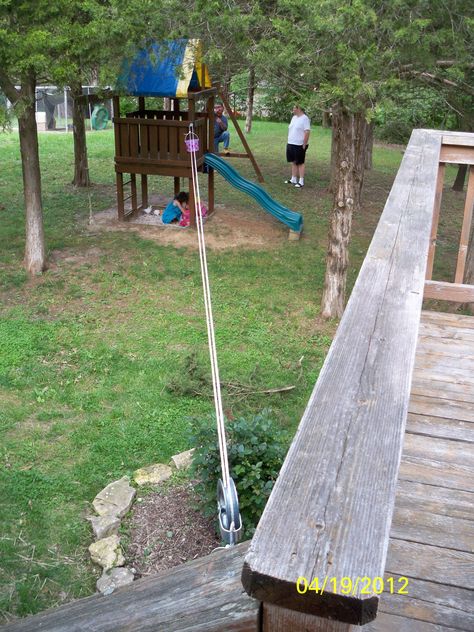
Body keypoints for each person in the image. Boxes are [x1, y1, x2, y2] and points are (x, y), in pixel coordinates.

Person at [285, 105, 311, 188]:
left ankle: (301, 181)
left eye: (294, 108)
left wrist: (304, 144)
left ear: (299, 109)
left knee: (300, 162)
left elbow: (307, 132)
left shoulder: (305, 118)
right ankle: (293, 179)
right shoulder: (294, 118)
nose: (293, 110)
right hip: (291, 142)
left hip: (299, 144)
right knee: (293, 161)